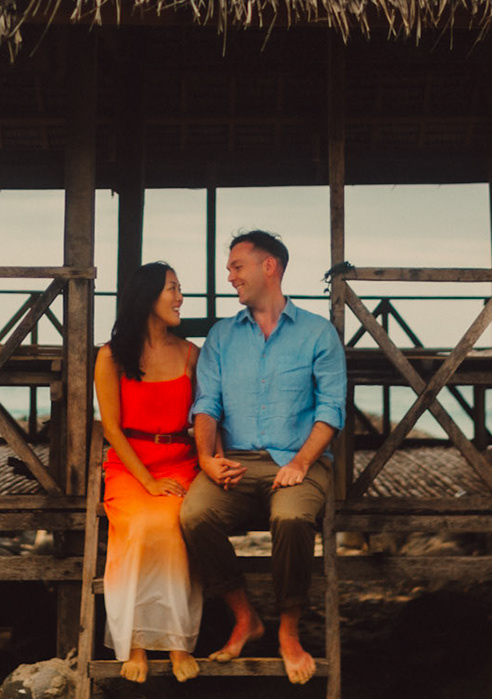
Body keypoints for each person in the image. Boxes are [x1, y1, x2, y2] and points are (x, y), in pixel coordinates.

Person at [181, 231, 347, 685]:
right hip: (233, 460)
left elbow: (331, 408)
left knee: (292, 520)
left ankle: (289, 629)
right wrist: (206, 459)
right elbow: (206, 403)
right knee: (194, 515)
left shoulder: (318, 333)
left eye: (237, 266)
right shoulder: (222, 336)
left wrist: (301, 463)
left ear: (268, 266)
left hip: (300, 461)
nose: (229, 275)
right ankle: (244, 617)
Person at [94, 260, 203, 683]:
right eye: (172, 288)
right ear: (147, 297)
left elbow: (206, 416)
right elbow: (111, 429)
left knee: (176, 524)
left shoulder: (191, 353)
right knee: (140, 525)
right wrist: (148, 481)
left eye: (179, 288)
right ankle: (135, 644)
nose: (180, 297)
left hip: (180, 461)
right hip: (130, 466)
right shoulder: (112, 356)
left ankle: (179, 643)